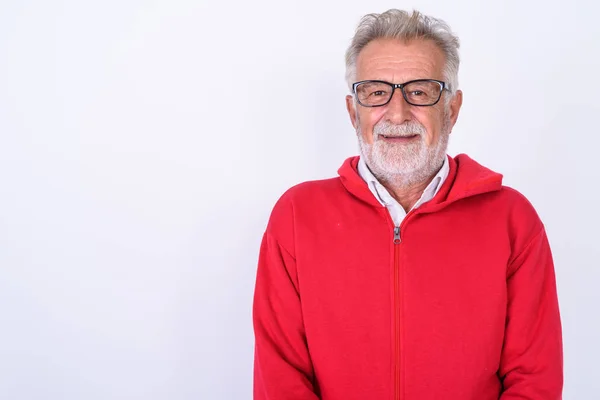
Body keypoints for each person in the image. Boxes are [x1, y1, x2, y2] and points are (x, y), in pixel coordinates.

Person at [252, 9, 563, 400]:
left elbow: (534, 380)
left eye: (419, 91)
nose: (397, 114)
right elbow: (280, 379)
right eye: (376, 92)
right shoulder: (297, 217)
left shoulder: (513, 221)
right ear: (353, 111)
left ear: (451, 109)